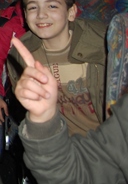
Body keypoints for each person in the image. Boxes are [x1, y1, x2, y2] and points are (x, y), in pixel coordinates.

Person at [13, 36, 128, 184]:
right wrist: (44, 120)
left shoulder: (97, 48)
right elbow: (76, 174)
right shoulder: (24, 52)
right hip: (68, 142)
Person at [6, 0, 107, 136]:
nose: (41, 15)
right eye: (33, 7)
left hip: (107, 141)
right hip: (58, 143)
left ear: (71, 12)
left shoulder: (105, 44)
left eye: (52, 6)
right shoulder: (21, 54)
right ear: (25, 14)